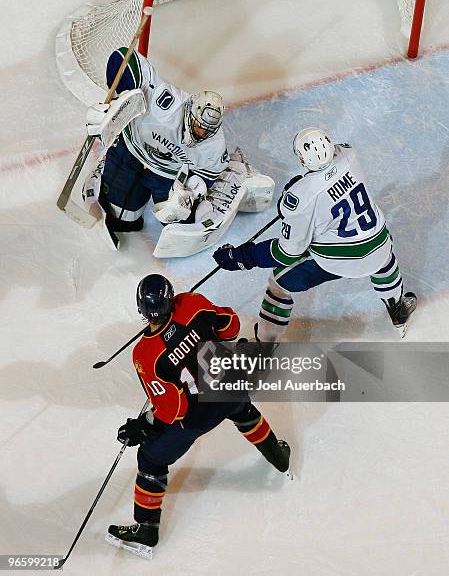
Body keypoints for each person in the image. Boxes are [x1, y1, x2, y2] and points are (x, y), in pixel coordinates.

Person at [105, 274, 290, 559]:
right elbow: (231, 326)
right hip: (230, 385)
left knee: (151, 459)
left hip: (196, 416)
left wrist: (144, 426)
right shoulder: (192, 304)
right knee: (243, 410)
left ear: (141, 309)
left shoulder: (146, 354)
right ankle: (278, 457)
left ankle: (146, 529)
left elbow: (171, 410)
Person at [213, 127, 417, 339]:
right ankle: (397, 310)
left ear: (301, 160)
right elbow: (334, 160)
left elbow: (287, 253)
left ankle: (264, 346)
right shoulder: (349, 155)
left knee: (278, 284)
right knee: (381, 254)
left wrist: (245, 257)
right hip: (380, 245)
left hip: (338, 260)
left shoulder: (301, 197)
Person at [83, 47, 274, 253]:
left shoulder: (213, 143)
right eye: (198, 126)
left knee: (177, 220)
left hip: (168, 172)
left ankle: (236, 171)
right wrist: (115, 104)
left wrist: (191, 189)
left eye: (206, 130)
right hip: (132, 150)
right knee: (123, 219)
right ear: (190, 110)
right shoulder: (166, 103)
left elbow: (206, 175)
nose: (200, 133)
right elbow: (124, 58)